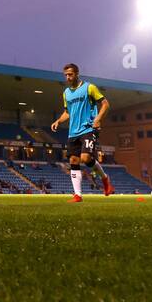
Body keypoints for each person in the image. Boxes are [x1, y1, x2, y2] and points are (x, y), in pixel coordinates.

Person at [51, 63, 114, 201]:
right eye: (66, 75)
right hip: (73, 132)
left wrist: (97, 119)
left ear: (77, 74)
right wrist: (58, 121)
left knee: (85, 159)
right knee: (73, 160)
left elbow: (105, 104)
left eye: (70, 74)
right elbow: (67, 112)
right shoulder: (66, 93)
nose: (68, 77)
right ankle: (78, 195)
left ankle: (105, 179)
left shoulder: (89, 87)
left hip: (88, 128)